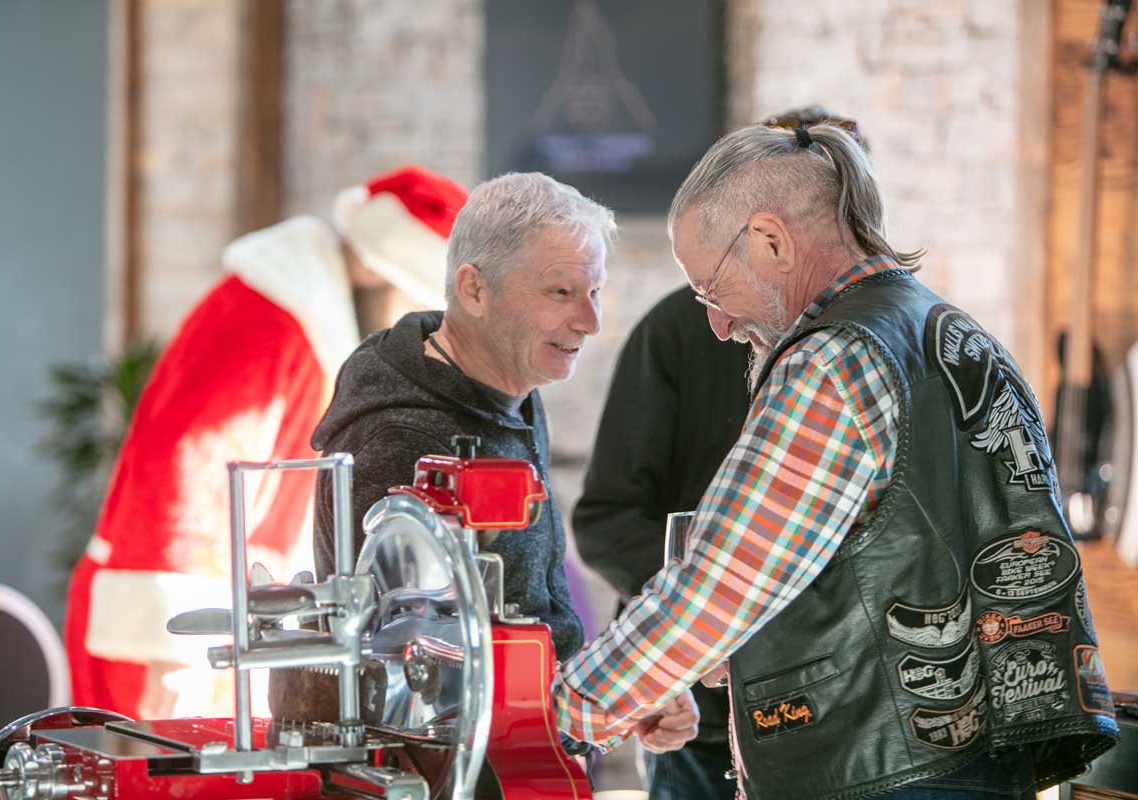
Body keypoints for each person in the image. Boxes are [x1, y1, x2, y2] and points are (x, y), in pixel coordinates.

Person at [554, 122, 1119, 799]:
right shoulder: (962, 335)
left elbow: (722, 582)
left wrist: (564, 711)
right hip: (978, 766)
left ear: (770, 241)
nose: (718, 324)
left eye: (710, 289)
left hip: (879, 774)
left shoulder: (832, 363)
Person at [270, 172, 698, 753]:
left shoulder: (509, 386)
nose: (590, 321)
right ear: (474, 290)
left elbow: (529, 619)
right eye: (560, 292)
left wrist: (625, 700)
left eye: (593, 292)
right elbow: (422, 683)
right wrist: (609, 705)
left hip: (529, 751)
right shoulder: (402, 437)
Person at [64, 165, 468, 720]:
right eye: (411, 308)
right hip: (175, 640)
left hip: (227, 626)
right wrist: (177, 660)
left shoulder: (297, 322)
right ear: (380, 270)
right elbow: (188, 478)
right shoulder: (269, 323)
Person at [573, 106, 866, 800]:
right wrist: (714, 620)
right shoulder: (677, 333)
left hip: (836, 717)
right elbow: (608, 519)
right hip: (699, 718)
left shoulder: (851, 350)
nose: (722, 323)